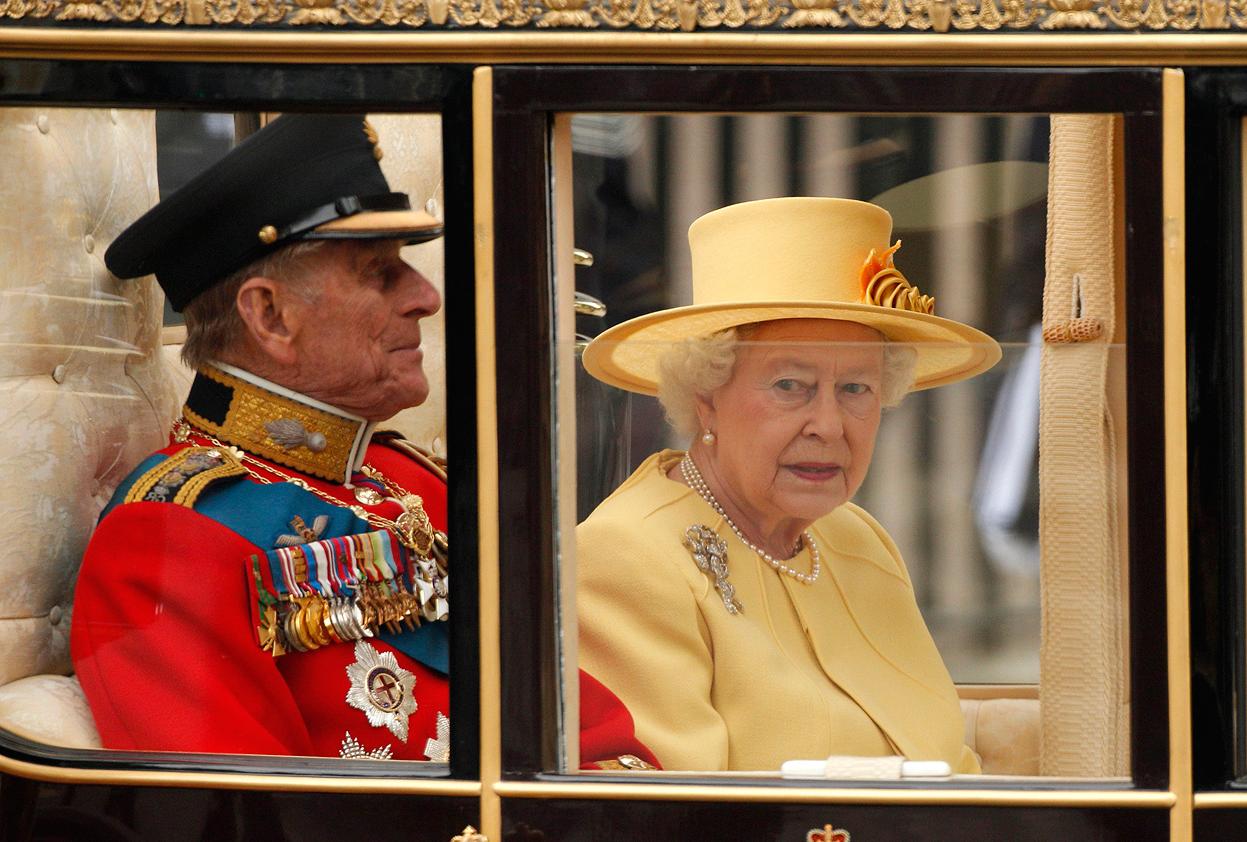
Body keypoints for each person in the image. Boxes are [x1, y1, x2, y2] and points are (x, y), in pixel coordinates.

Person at [71, 113, 658, 770]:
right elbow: (244, 818)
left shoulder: (413, 483)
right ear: (270, 316)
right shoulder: (166, 538)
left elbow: (586, 732)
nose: (426, 296)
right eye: (380, 272)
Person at [576, 197, 1001, 773]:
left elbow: (952, 765)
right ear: (706, 399)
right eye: (789, 384)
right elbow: (670, 816)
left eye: (856, 389)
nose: (828, 425)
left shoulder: (855, 537)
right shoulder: (624, 558)